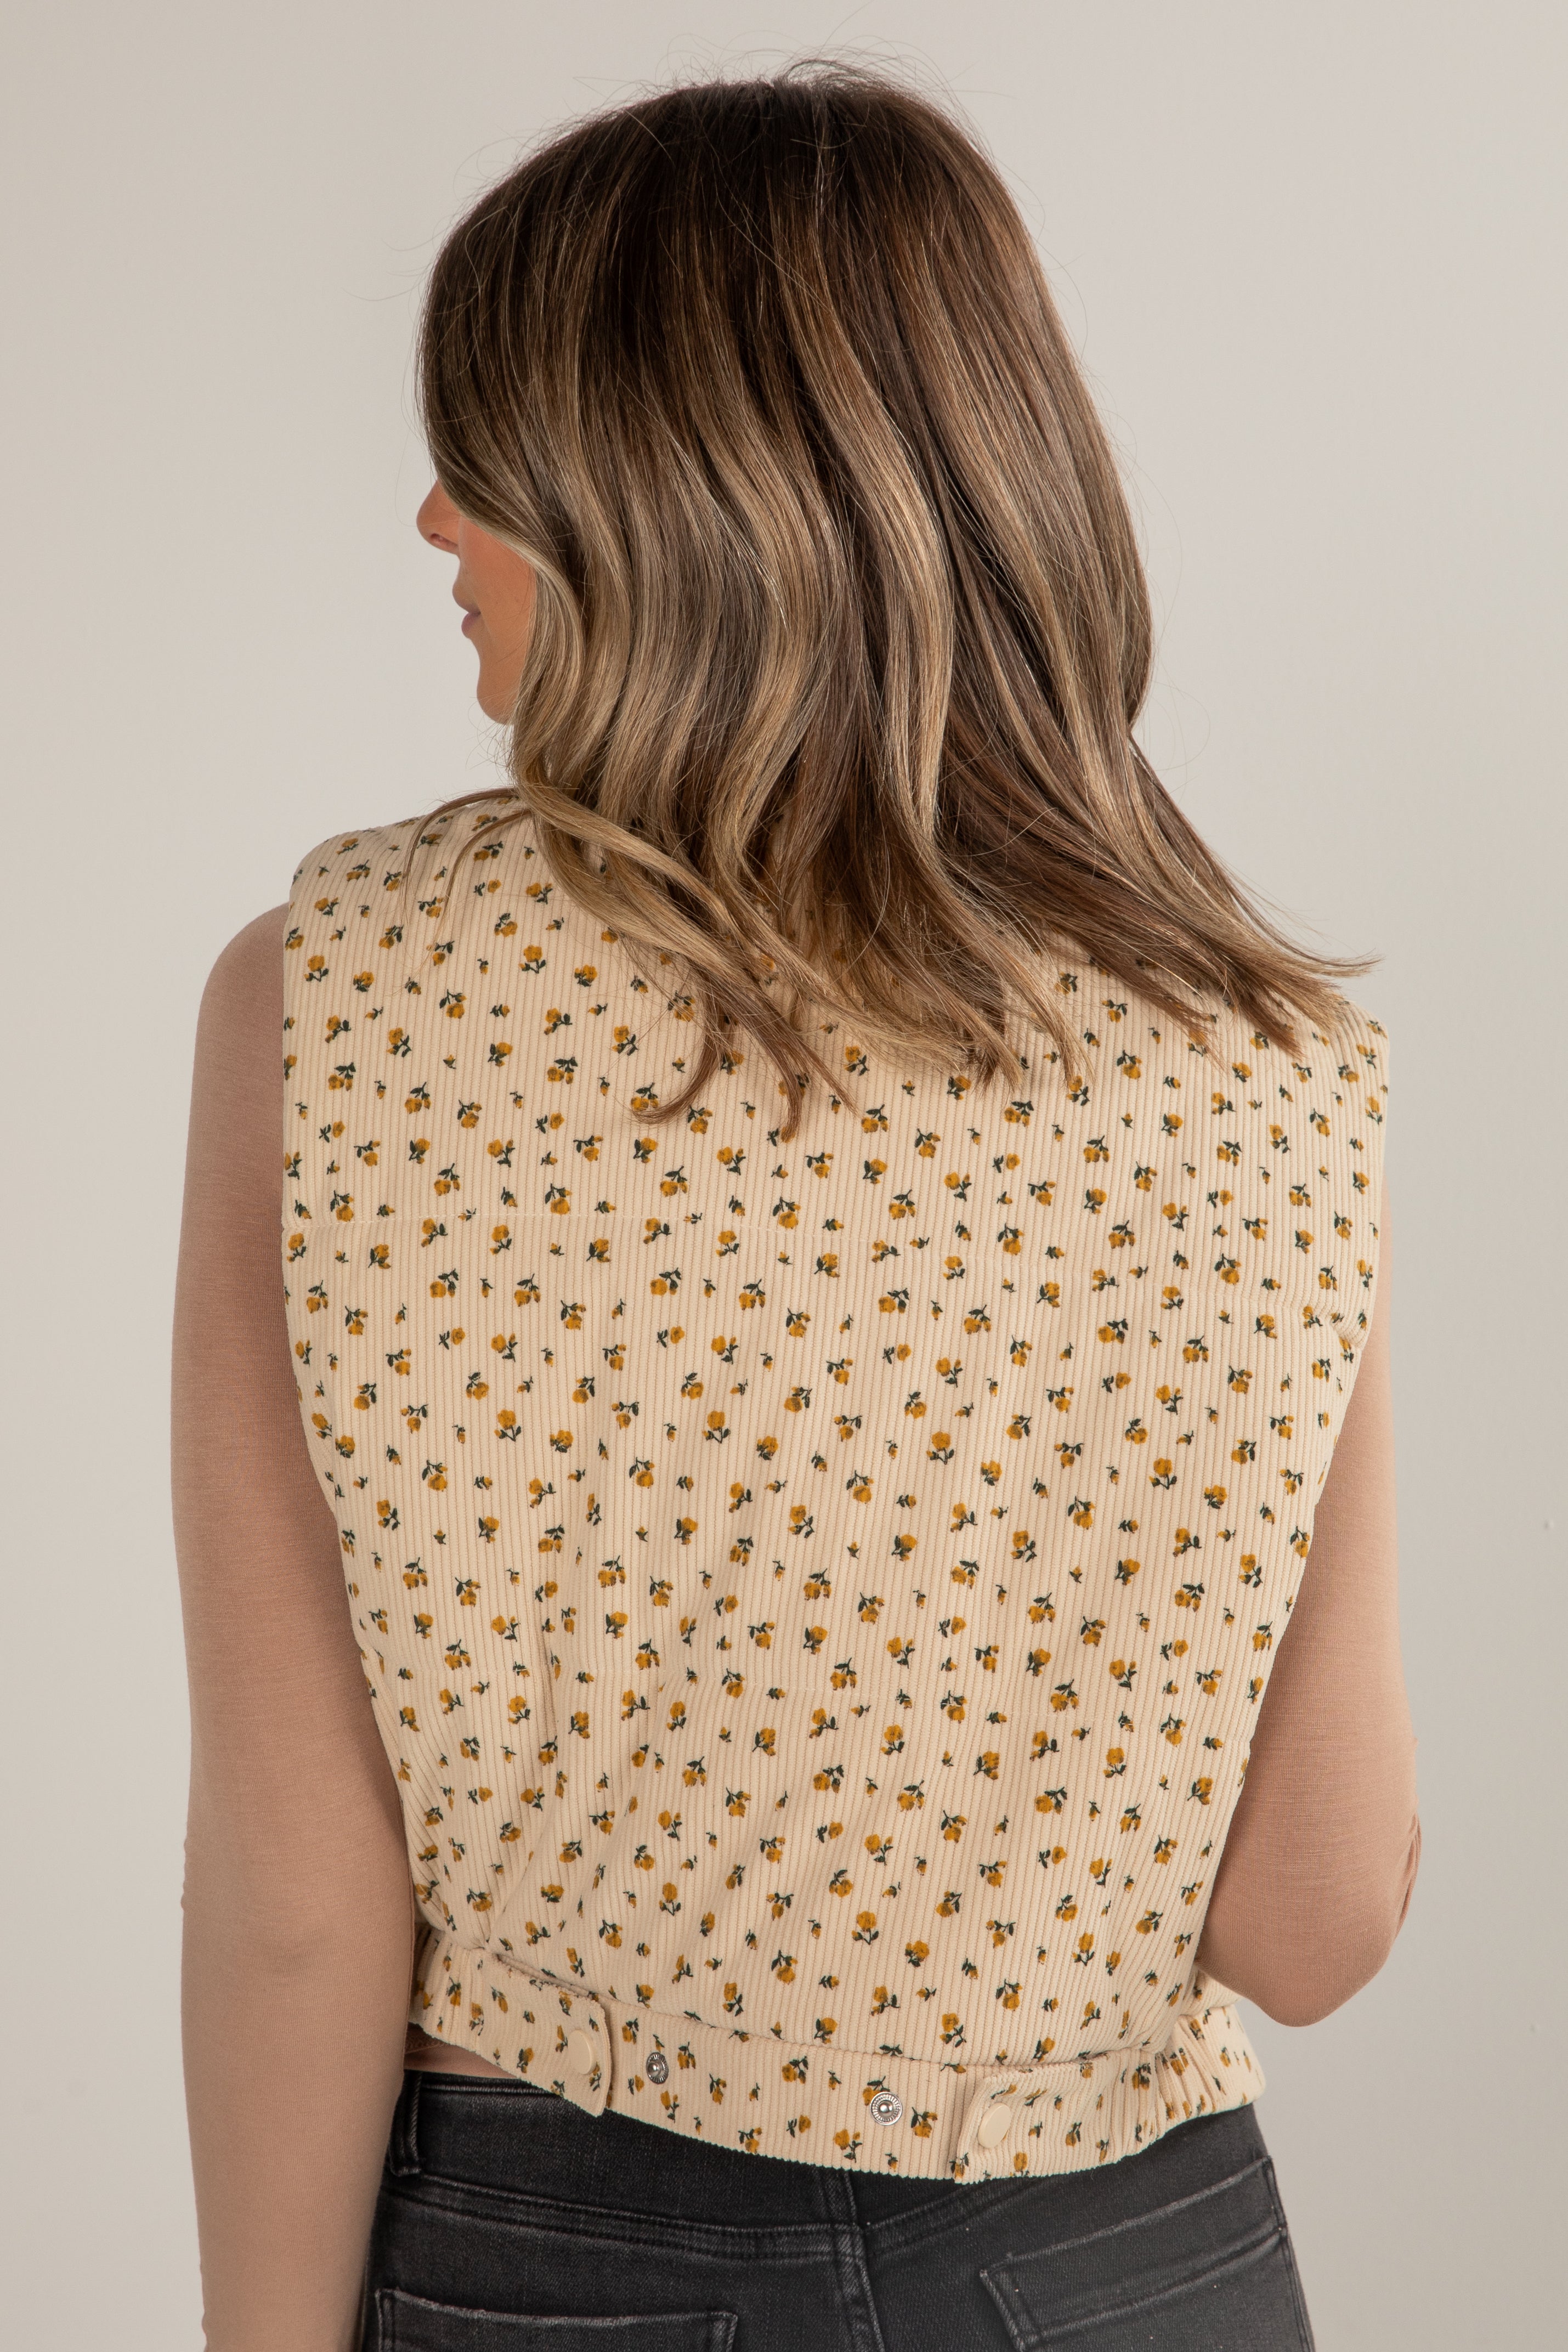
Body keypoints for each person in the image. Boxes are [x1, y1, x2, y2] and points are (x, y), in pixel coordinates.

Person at [172, 65, 1419, 2352]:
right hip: (1137, 2266)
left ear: (669, 504)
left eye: (493, 461)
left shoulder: (337, 996)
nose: (435, 515)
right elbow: (1319, 1915)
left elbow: (295, 1897)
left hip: (553, 2253)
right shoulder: (1267, 1059)